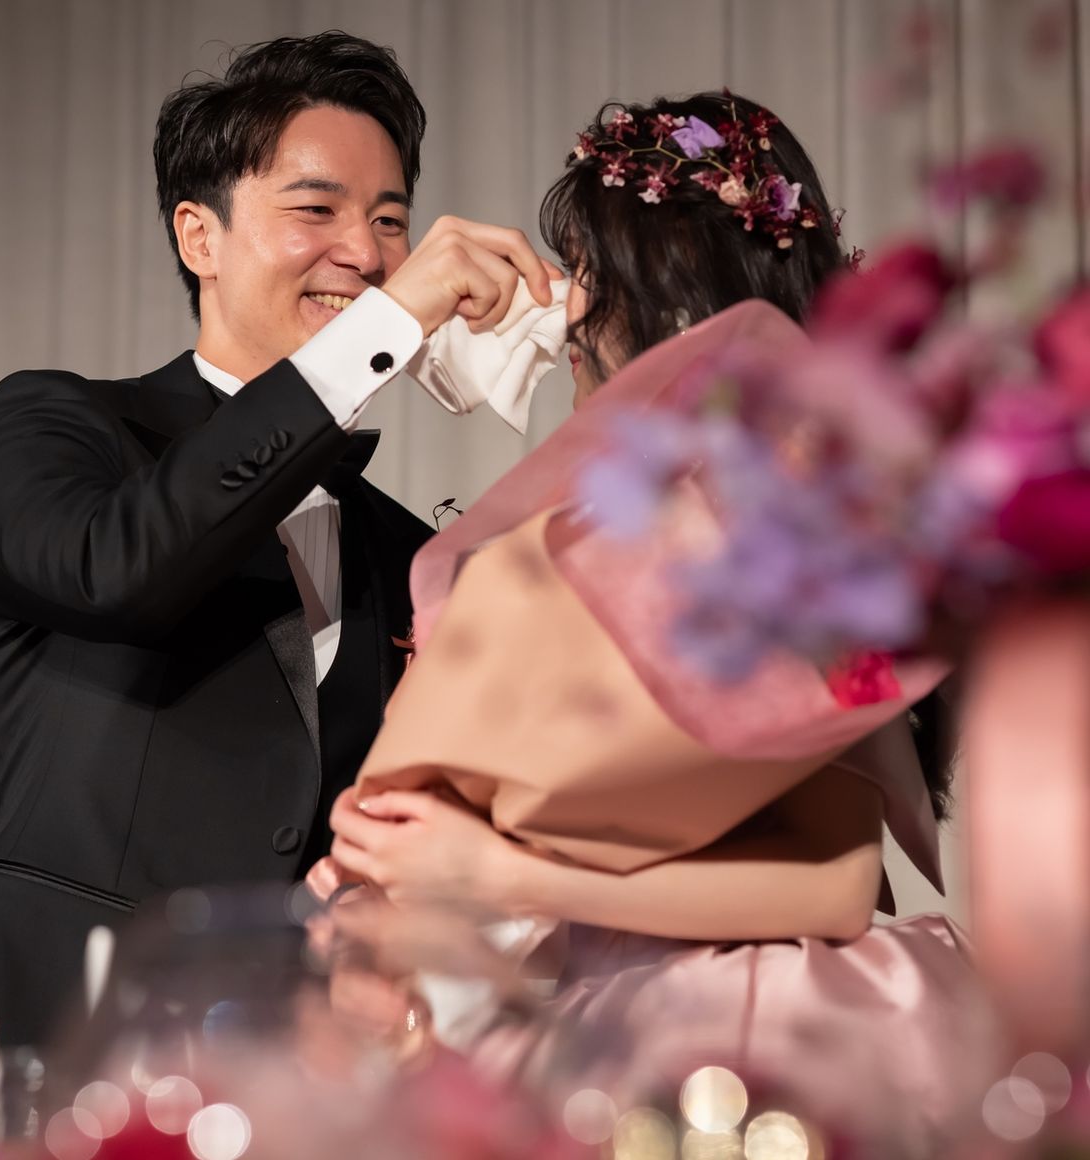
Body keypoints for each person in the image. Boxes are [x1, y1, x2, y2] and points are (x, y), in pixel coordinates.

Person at [312, 93, 997, 1150]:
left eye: (583, 267)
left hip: (740, 1024)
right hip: (585, 1007)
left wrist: (494, 871)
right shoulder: (585, 535)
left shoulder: (783, 529)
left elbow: (831, 884)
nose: (561, 307)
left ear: (659, 286)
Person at [0, 30, 558, 1064]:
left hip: (285, 1081)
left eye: (389, 220)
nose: (365, 255)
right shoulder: (55, 426)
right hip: (44, 1038)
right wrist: (377, 332)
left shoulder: (406, 551)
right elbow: (121, 569)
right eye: (316, 210)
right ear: (200, 236)